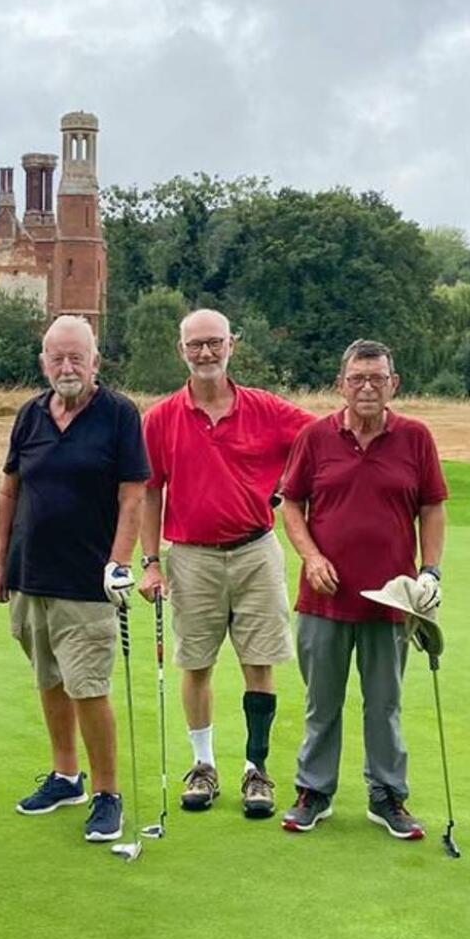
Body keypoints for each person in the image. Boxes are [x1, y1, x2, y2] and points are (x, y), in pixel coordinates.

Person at [138, 308, 314, 819]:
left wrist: (286, 486)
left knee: (258, 662)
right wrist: (150, 562)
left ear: (232, 345)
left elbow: (319, 441)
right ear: (182, 351)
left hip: (256, 550)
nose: (206, 352)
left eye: (214, 342)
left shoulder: (266, 408)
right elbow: (150, 492)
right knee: (196, 663)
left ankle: (256, 770)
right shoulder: (162, 418)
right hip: (191, 556)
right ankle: (204, 766)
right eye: (196, 344)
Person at [0, 315, 149, 844]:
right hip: (30, 574)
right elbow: (10, 491)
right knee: (50, 680)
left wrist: (119, 562)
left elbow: (132, 496)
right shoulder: (30, 415)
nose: (67, 367)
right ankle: (66, 776)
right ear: (44, 363)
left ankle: (107, 793)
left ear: (95, 361)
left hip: (87, 580)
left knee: (88, 687)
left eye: (76, 357)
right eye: (57, 358)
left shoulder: (119, 414)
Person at [279, 338, 447, 839]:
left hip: (392, 600)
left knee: (384, 706)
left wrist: (430, 571)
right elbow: (292, 505)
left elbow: (432, 507)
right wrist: (311, 557)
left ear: (394, 384)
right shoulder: (315, 437)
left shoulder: (416, 438)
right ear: (341, 385)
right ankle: (314, 791)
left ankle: (387, 795)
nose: (367, 388)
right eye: (357, 379)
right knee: (322, 703)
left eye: (377, 378)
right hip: (324, 599)